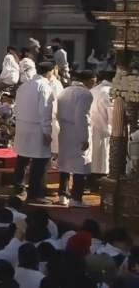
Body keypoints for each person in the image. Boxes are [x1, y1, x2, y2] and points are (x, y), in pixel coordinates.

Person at [13, 61, 56, 204]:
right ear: (50, 71)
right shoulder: (44, 87)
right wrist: (47, 132)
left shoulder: (24, 86)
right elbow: (45, 112)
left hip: (22, 126)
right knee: (40, 162)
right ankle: (35, 194)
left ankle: (18, 188)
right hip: (36, 129)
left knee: (22, 159)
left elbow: (16, 107)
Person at [56, 70, 95, 208]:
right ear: (89, 80)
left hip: (65, 129)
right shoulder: (85, 94)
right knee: (80, 165)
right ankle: (76, 198)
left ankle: (62, 194)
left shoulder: (64, 91)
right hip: (77, 130)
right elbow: (81, 116)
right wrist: (84, 138)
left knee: (65, 163)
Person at [90, 70, 114, 187]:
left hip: (91, 128)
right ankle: (98, 185)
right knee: (102, 161)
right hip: (103, 129)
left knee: (94, 159)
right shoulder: (109, 92)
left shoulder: (94, 89)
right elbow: (112, 116)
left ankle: (91, 183)